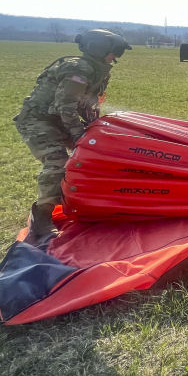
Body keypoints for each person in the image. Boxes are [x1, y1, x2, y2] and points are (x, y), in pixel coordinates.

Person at [13, 29, 131, 245]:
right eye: (114, 53)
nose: (115, 58)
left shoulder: (98, 70)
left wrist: (94, 129)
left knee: (95, 154)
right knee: (57, 162)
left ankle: (92, 203)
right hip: (38, 121)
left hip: (59, 119)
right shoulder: (78, 68)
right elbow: (64, 106)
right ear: (100, 49)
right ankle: (42, 218)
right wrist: (79, 135)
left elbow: (88, 104)